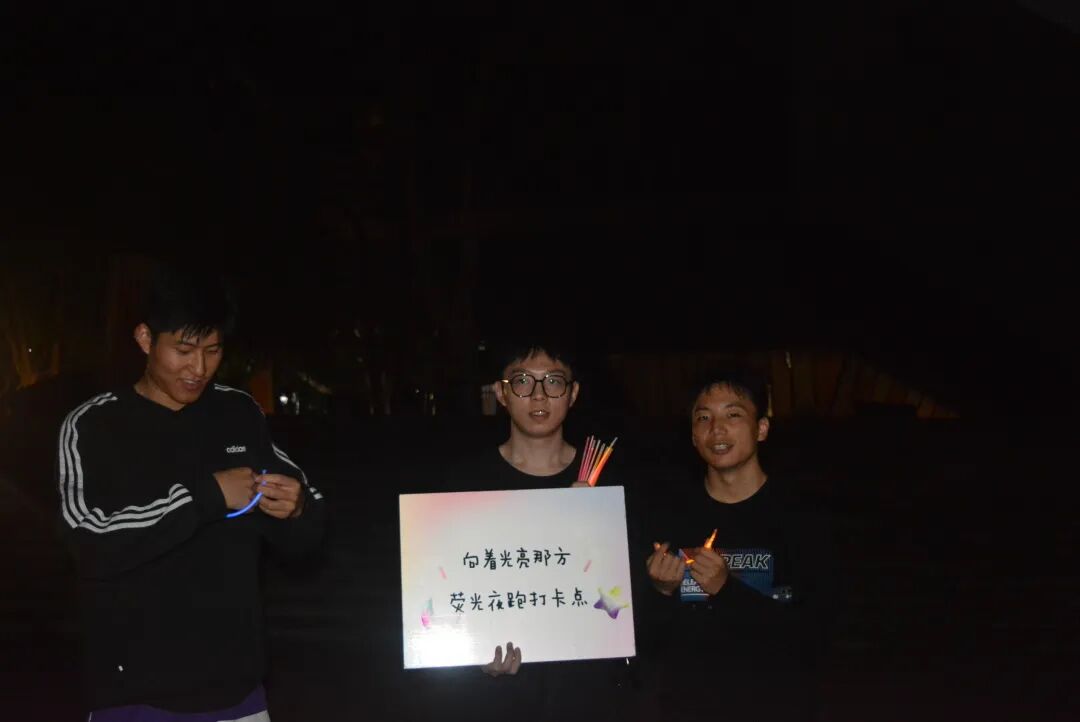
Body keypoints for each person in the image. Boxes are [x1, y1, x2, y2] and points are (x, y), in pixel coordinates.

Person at [57, 263, 325, 721]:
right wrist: (207, 497)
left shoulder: (239, 413)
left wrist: (297, 510)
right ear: (145, 338)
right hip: (135, 697)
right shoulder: (94, 425)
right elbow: (88, 540)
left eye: (212, 351)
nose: (198, 369)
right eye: (183, 350)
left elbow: (307, 529)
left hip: (240, 694)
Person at [400, 339, 638, 721]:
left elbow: (623, 602)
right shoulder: (463, 484)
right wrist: (473, 653)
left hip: (586, 689)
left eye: (554, 381)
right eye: (523, 381)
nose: (539, 395)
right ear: (502, 393)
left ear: (573, 393)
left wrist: (596, 533)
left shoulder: (605, 483)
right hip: (498, 698)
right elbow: (439, 596)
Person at [643, 367, 834, 721]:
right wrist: (660, 591)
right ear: (692, 435)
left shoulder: (802, 517)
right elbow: (649, 640)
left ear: (761, 428)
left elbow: (815, 634)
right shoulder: (668, 515)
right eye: (704, 418)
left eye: (733, 415)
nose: (717, 429)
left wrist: (726, 590)